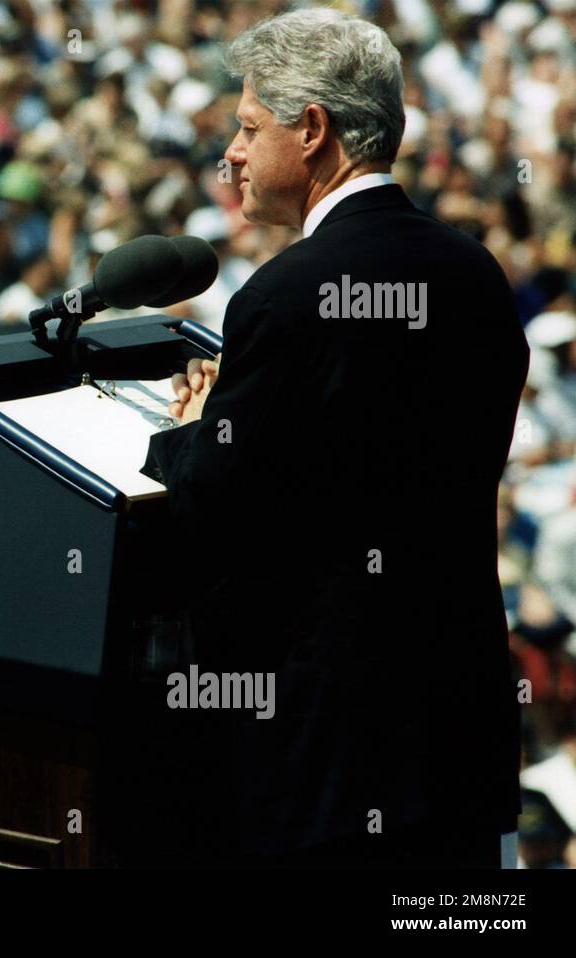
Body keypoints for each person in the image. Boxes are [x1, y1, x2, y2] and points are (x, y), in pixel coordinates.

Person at [141, 9, 528, 868]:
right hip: (458, 739)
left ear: (312, 130)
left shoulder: (287, 294)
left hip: (332, 763)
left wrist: (190, 431)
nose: (231, 155)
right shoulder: (476, 274)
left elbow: (214, 516)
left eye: (247, 128)